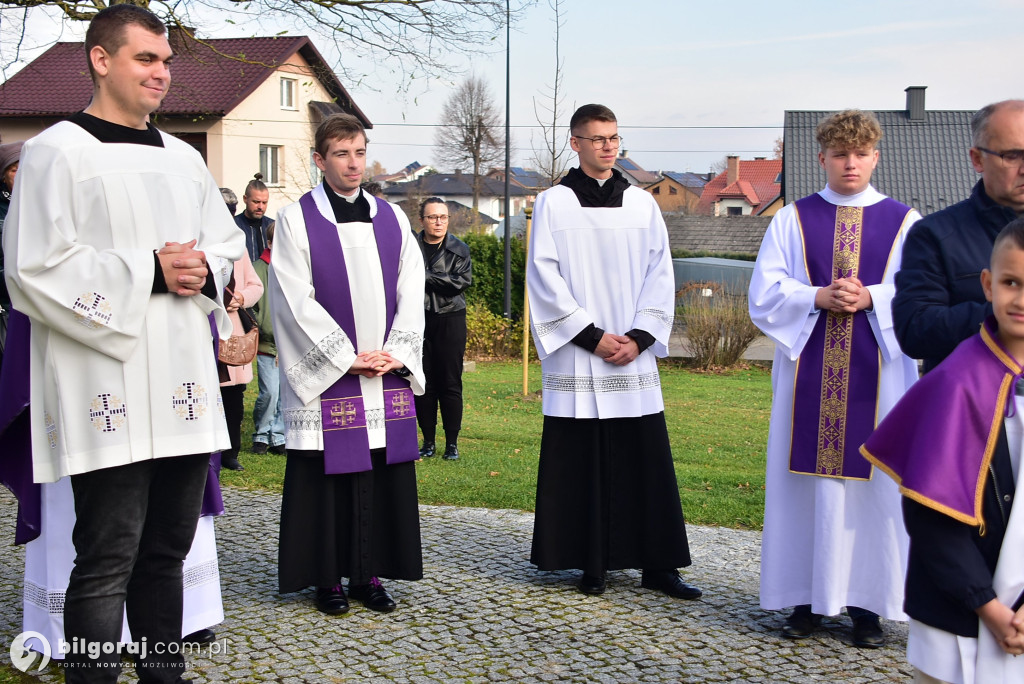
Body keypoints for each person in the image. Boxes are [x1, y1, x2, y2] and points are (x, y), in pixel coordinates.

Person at [2, 5, 244, 682]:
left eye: (166, 61)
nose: (161, 72)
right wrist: (149, 269)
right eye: (146, 58)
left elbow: (226, 250)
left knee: (167, 548)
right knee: (107, 556)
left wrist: (212, 271)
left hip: (183, 388)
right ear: (101, 60)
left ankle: (164, 675)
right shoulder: (56, 151)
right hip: (103, 387)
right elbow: (30, 268)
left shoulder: (184, 159)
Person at [748, 109, 920, 648]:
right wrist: (815, 297)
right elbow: (765, 292)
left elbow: (918, 291)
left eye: (860, 153)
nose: (850, 163)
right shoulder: (791, 219)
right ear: (821, 157)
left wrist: (874, 297)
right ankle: (805, 601)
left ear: (876, 156)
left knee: (875, 489)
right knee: (807, 487)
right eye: (840, 154)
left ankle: (868, 605)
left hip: (881, 383)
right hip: (808, 375)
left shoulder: (905, 221)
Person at [526, 104, 700, 600]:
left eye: (614, 138)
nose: (608, 146)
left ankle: (659, 565)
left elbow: (660, 274)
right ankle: (592, 561)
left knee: (644, 458)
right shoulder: (554, 203)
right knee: (583, 457)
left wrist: (640, 337)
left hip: (631, 354)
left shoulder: (642, 204)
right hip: (581, 353)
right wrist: (591, 336)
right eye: (597, 138)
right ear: (576, 143)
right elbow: (545, 279)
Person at [270, 113, 425, 615]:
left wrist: (396, 351)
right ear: (320, 159)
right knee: (328, 477)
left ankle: (368, 574)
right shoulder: (297, 220)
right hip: (335, 375)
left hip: (383, 375)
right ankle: (327, 579)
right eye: (341, 153)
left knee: (379, 472)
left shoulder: (392, 217)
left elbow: (412, 288)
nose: (353, 163)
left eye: (359, 152)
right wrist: (343, 357)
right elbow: (293, 299)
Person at [862, 219, 1024, 683]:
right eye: (1012, 283)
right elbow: (931, 518)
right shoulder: (954, 384)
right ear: (988, 286)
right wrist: (989, 608)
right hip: (958, 619)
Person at [893, 100, 1024, 373]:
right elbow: (915, 330)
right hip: (976, 407)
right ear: (977, 159)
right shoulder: (934, 235)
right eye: (1012, 155)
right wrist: (1001, 316)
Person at [414, 197, 472, 461]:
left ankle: (452, 443)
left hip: (450, 318)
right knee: (423, 382)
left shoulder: (459, 249)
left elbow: (459, 283)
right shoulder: (409, 247)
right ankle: (427, 441)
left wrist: (424, 277)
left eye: (443, 217)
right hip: (416, 319)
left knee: (450, 382)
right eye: (433, 217)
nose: (439, 222)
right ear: (422, 220)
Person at [218, 251, 263, 471]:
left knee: (233, 398)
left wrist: (241, 297)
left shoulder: (237, 250)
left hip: (232, 330)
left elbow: (256, 285)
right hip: (203, 328)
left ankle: (230, 452)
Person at [251, 221, 285, 455]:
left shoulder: (291, 267)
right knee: (269, 392)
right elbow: (252, 305)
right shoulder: (258, 268)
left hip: (288, 344)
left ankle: (279, 436)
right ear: (270, 243)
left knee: (285, 394)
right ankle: (261, 434)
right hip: (266, 343)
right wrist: (260, 325)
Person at [235, 173, 272, 263]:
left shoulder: (273, 226)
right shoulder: (234, 226)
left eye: (264, 202)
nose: (260, 206)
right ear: (245, 199)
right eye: (256, 202)